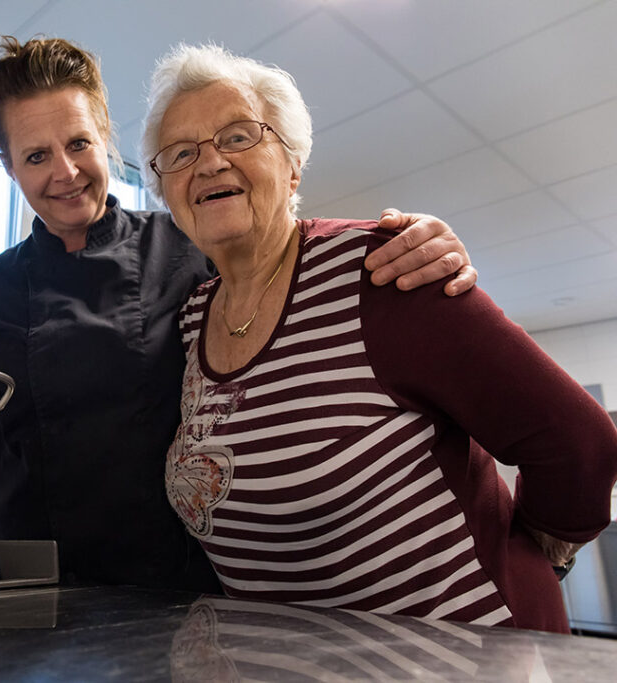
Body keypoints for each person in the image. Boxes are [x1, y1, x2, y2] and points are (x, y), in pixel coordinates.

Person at [0, 37, 478, 591]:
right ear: (6, 166)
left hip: (179, 585)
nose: (65, 172)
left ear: (105, 137)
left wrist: (402, 245)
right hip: (28, 588)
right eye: (35, 156)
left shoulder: (190, 247)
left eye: (78, 143)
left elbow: (287, 267)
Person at [143, 44, 617, 631]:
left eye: (239, 136)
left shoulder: (382, 266)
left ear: (292, 165)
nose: (210, 163)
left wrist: (540, 555)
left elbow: (580, 441)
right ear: (166, 191)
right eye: (181, 153)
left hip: (465, 659)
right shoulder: (192, 318)